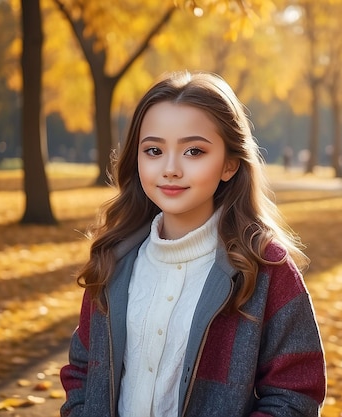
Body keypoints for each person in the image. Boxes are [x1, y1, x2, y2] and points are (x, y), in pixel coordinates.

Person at [60, 71, 326, 417]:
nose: (170, 169)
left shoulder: (265, 268)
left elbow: (295, 393)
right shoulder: (114, 259)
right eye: (154, 150)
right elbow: (82, 368)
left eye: (194, 151)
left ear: (229, 163)